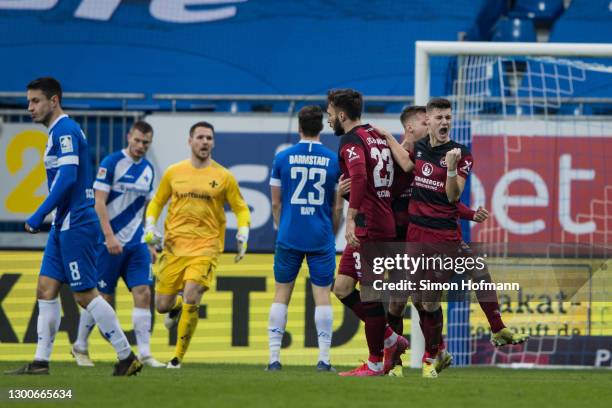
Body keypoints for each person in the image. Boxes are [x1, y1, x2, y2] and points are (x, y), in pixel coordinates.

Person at [382, 97, 528, 378]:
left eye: (448, 117)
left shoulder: (461, 153)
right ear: (429, 120)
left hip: (444, 238)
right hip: (414, 236)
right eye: (439, 118)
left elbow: (451, 196)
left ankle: (433, 358)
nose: (444, 122)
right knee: (405, 299)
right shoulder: (420, 148)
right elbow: (407, 166)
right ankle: (398, 362)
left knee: (435, 298)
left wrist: (450, 169)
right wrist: (388, 136)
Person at [5, 77, 141, 376]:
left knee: (84, 295)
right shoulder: (58, 132)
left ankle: (125, 355)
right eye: (28, 101)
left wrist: (38, 213)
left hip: (76, 221)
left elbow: (67, 178)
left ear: (53, 101)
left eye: (35, 101)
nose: (29, 107)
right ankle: (41, 362)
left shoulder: (64, 130)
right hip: (63, 223)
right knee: (46, 287)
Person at [144, 121, 251, 368]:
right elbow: (157, 202)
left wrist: (243, 232)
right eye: (200, 137)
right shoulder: (173, 172)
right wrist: (150, 225)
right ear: (190, 141)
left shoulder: (223, 176)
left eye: (209, 138)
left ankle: (176, 358)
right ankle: (177, 306)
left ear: (213, 143)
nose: (205, 142)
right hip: (174, 247)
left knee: (192, 293)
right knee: (161, 306)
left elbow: (241, 208)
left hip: (206, 246)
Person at [327, 89, 408, 377]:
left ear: (341, 114)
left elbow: (360, 176)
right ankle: (390, 338)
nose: (328, 118)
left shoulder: (351, 139)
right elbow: (392, 176)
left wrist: (350, 217)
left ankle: (375, 363)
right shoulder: (375, 134)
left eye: (330, 112)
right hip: (376, 217)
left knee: (371, 295)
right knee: (342, 288)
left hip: (368, 225)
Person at [71, 121, 164, 368]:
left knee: (143, 292)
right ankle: (80, 346)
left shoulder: (148, 169)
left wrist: (149, 242)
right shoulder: (111, 163)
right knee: (100, 298)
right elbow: (99, 203)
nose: (141, 146)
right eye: (137, 140)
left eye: (146, 142)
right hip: (106, 243)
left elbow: (146, 209)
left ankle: (144, 353)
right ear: (128, 137)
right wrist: (109, 236)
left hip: (136, 244)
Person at [266, 106, 343, 372]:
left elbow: (275, 205)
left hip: (289, 234)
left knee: (281, 294)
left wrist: (282, 227)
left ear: (299, 126)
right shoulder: (334, 160)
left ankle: (274, 360)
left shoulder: (282, 158)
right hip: (321, 235)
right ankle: (324, 360)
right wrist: (330, 233)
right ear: (321, 127)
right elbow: (338, 208)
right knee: (322, 294)